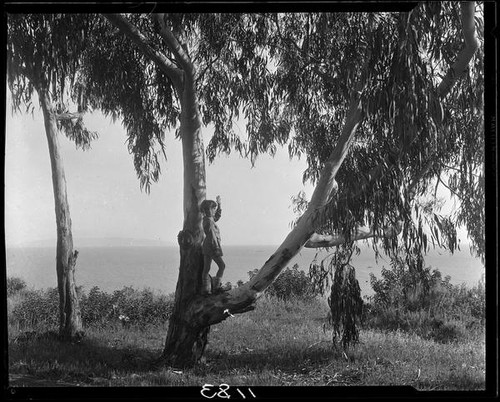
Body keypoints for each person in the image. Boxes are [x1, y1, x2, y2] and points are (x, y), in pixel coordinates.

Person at [200, 195, 226, 295]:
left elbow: (217, 216)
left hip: (207, 246)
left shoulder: (208, 219)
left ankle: (206, 290)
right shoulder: (209, 221)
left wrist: (219, 204)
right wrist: (216, 249)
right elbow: (212, 236)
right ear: (209, 209)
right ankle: (216, 287)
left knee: (206, 268)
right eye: (214, 208)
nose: (215, 210)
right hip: (211, 246)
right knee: (222, 266)